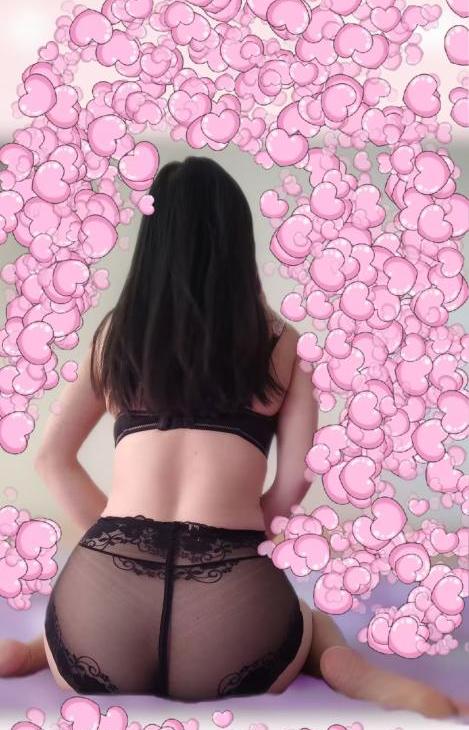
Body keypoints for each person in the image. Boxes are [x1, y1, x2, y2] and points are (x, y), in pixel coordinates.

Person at [0, 157, 463, 716]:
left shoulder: (115, 336)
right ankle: (341, 663)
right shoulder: (282, 344)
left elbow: (52, 460)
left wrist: (116, 540)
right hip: (233, 617)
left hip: (100, 619)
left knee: (73, 615)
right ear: (237, 240)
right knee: (312, 622)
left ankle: (37, 650)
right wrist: (234, 541)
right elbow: (294, 482)